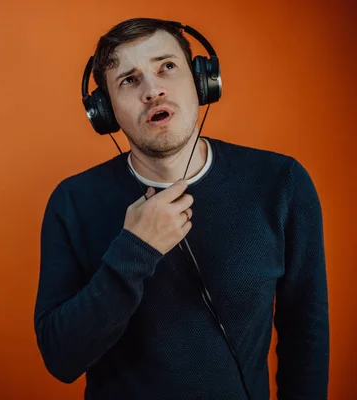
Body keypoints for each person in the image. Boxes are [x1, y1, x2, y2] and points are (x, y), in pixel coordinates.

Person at [33, 17, 329, 400]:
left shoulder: (281, 183)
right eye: (129, 80)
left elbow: (306, 335)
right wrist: (135, 248)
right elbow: (61, 359)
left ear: (202, 81)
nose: (153, 90)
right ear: (105, 113)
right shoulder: (72, 202)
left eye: (166, 67)